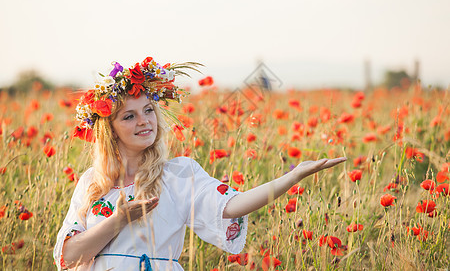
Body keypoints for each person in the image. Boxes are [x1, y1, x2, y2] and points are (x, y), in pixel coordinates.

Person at [53, 56, 346, 270]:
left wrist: (293, 177)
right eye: (129, 116)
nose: (145, 122)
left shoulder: (178, 174)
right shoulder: (92, 182)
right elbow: (68, 256)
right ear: (110, 130)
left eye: (148, 110)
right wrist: (119, 220)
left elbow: (232, 205)